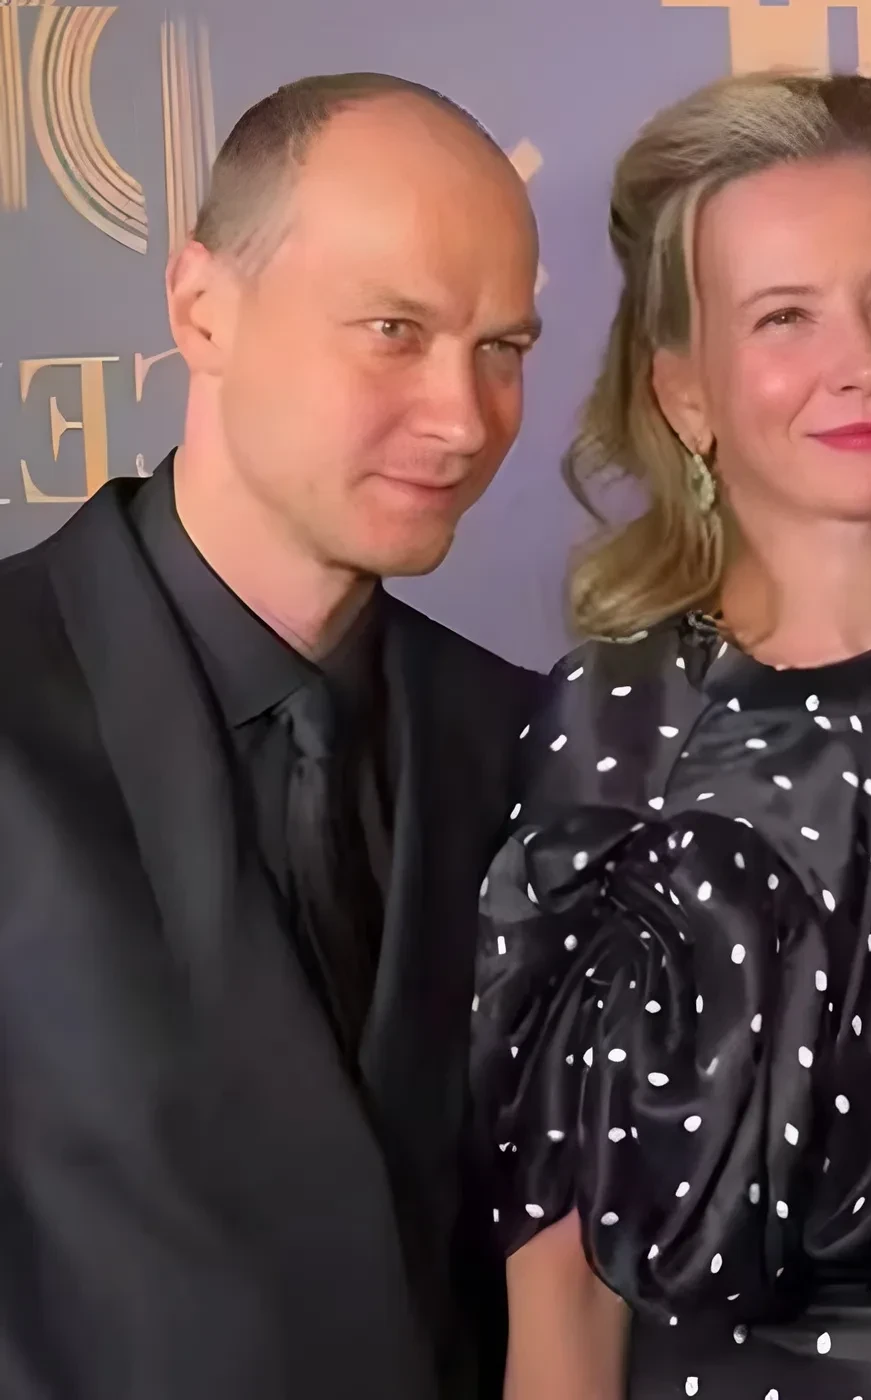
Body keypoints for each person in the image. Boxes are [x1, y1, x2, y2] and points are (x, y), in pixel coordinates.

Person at [471, 72, 871, 1400]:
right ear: (685, 392)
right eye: (785, 315)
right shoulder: (622, 730)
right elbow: (564, 1291)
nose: (863, 362)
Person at [0, 75, 542, 1400]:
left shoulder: (525, 746)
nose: (464, 418)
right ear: (203, 308)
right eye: (394, 330)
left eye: (502, 348)